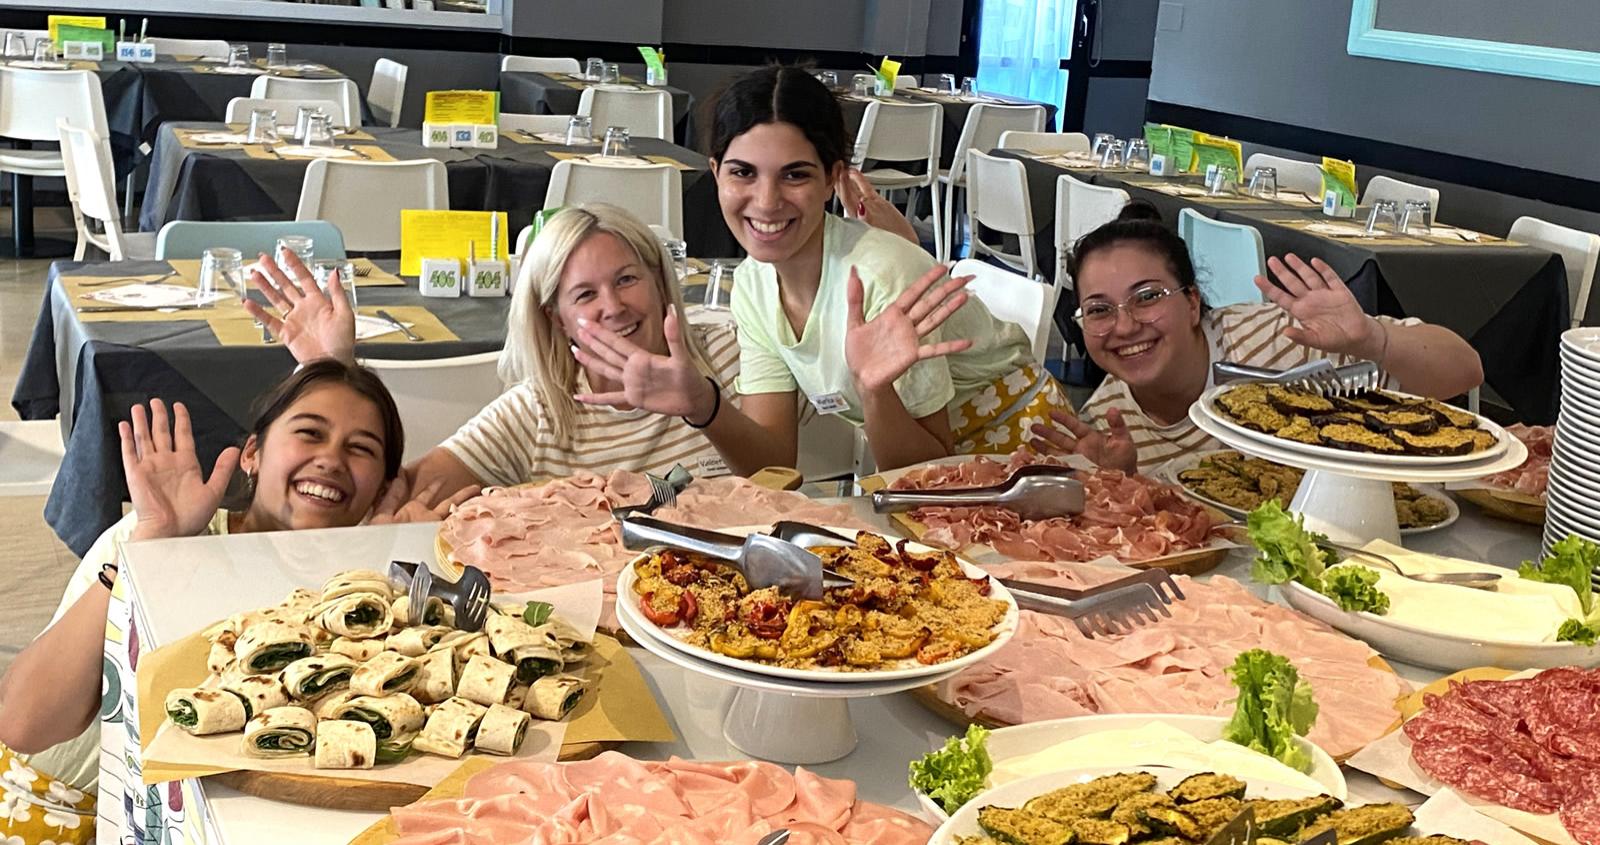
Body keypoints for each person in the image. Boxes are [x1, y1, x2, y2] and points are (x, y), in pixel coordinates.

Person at [567, 64, 1072, 474]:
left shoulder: (879, 277)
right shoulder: (754, 284)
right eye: (743, 173)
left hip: (1032, 451)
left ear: (833, 179)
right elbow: (773, 461)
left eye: (795, 175)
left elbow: (928, 473)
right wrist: (704, 405)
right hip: (924, 474)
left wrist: (873, 392)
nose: (766, 203)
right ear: (716, 172)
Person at [0, 359, 416, 844]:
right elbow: (23, 723)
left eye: (360, 448)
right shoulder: (161, 536)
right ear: (252, 454)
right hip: (65, 815)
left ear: (382, 488)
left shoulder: (355, 603)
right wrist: (147, 552)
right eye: (309, 433)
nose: (331, 459)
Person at [1028, 202, 1485, 475]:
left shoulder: (1276, 339)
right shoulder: (1111, 424)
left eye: (1148, 297)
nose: (1124, 326)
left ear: (1192, 303)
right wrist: (1122, 483)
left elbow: (1465, 369)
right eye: (1099, 309)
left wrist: (1372, 340)